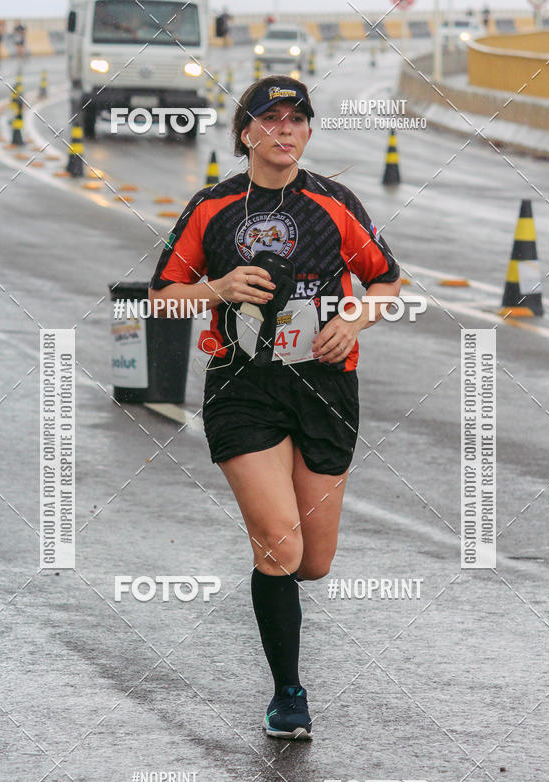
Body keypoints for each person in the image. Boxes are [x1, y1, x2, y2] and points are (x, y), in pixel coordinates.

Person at [149, 75, 401, 740]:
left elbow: (387, 281)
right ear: (245, 133)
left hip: (325, 388)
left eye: (297, 120)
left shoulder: (335, 203)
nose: (284, 130)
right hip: (243, 389)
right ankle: (289, 693)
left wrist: (356, 320)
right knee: (280, 544)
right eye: (270, 119)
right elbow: (161, 295)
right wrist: (216, 287)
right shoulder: (214, 207)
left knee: (313, 561)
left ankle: (275, 572)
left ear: (308, 132)